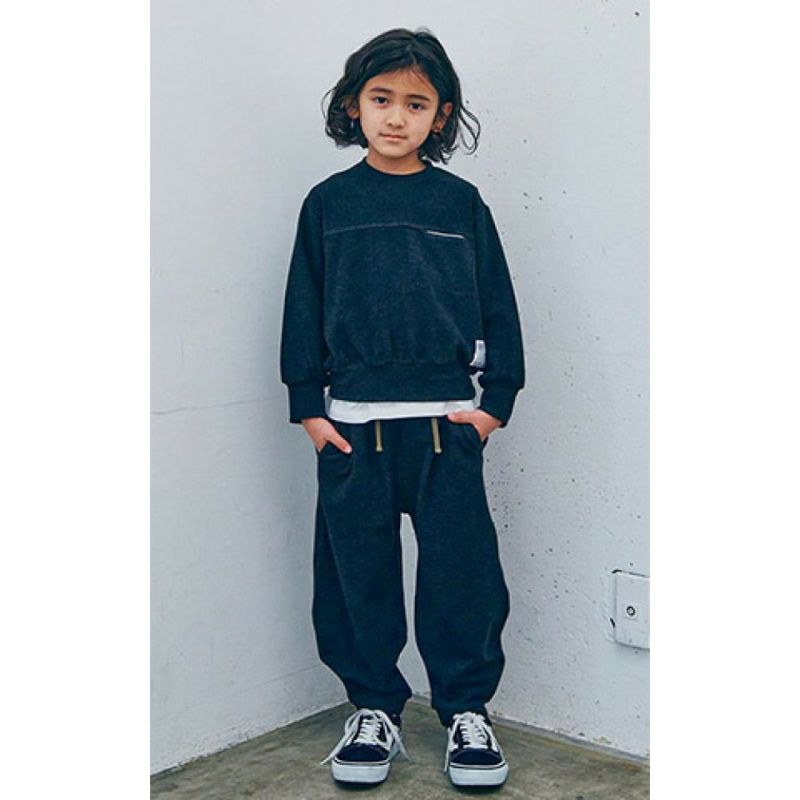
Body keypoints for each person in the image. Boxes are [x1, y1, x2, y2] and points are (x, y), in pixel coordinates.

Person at [279, 27, 525, 789]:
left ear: (440, 116)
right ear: (354, 105)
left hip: (448, 427)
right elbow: (301, 307)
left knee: (463, 575)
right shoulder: (328, 204)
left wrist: (495, 403)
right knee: (357, 576)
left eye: (416, 104)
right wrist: (309, 407)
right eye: (381, 98)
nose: (396, 116)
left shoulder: (460, 203)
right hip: (353, 429)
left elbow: (498, 304)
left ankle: (466, 710)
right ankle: (373, 708)